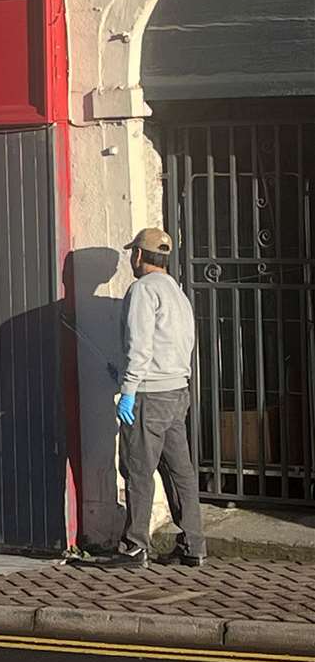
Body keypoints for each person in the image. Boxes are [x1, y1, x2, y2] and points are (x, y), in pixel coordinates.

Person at [101, 227, 207, 570]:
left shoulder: (142, 291)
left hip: (149, 395)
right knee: (180, 472)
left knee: (137, 470)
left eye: (133, 253)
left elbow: (140, 347)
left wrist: (127, 390)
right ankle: (193, 545)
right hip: (177, 392)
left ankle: (135, 547)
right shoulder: (177, 292)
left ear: (139, 256)